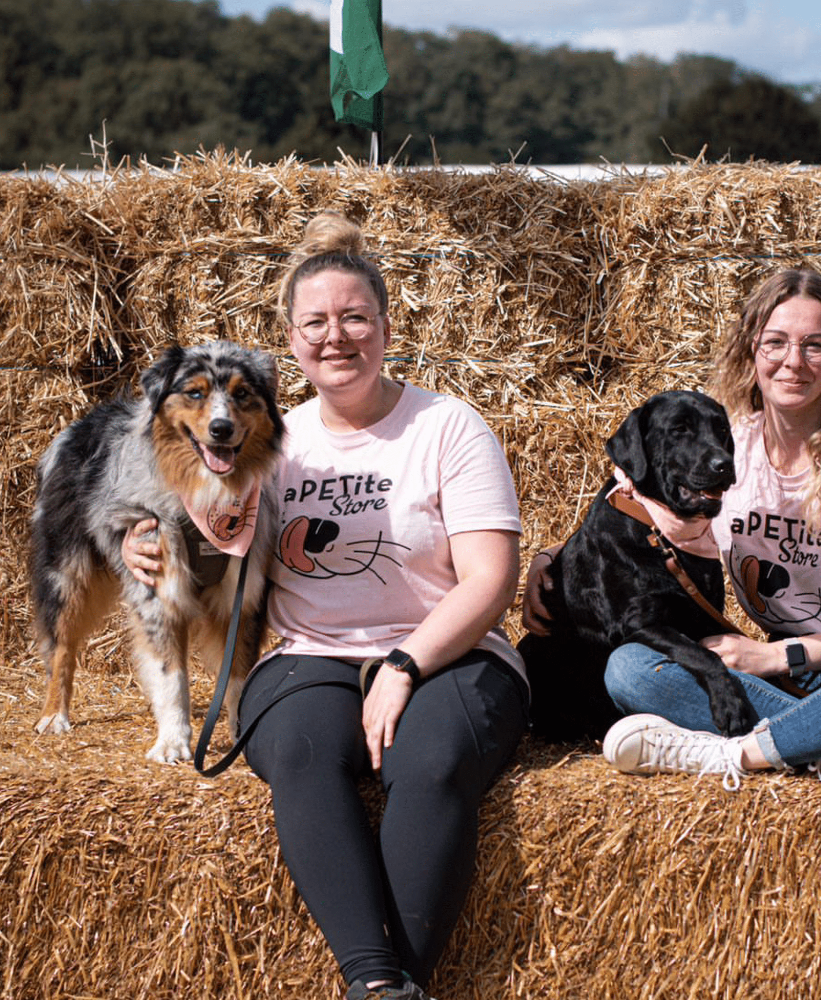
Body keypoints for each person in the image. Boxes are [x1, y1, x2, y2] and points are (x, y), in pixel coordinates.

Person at [125, 213, 529, 1000]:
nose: (336, 336)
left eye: (355, 318)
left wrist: (405, 665)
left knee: (431, 759)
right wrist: (150, 539)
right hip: (308, 655)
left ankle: (392, 985)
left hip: (449, 654)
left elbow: (490, 580)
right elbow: (209, 542)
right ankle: (378, 985)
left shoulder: (448, 427)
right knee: (304, 755)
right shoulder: (265, 439)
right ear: (291, 339)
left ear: (386, 327)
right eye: (315, 322)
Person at [523, 268, 821, 814]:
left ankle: (741, 753)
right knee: (630, 668)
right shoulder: (728, 444)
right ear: (751, 351)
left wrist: (772, 656)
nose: (793, 361)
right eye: (776, 342)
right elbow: (633, 502)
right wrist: (551, 558)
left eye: (814, 345)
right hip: (791, 681)